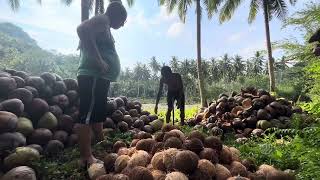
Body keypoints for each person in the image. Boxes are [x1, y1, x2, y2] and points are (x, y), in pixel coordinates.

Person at [76, 1, 127, 168]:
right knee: (87, 115)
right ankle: (86, 156)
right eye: (123, 20)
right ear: (117, 15)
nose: (122, 24)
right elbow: (82, 29)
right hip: (93, 76)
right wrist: (98, 61)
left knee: (96, 113)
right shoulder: (103, 20)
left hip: (99, 78)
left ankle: (100, 141)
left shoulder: (105, 25)